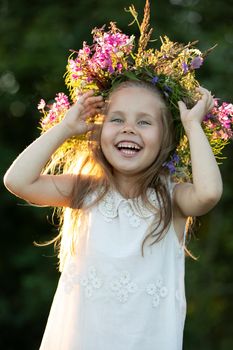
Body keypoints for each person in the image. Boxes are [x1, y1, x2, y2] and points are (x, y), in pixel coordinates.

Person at [4, 0, 230, 348]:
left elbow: (210, 193)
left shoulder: (172, 199)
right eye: (117, 119)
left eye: (144, 122)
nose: (129, 129)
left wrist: (192, 125)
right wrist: (65, 128)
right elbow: (16, 181)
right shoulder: (86, 191)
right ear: (98, 130)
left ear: (166, 139)